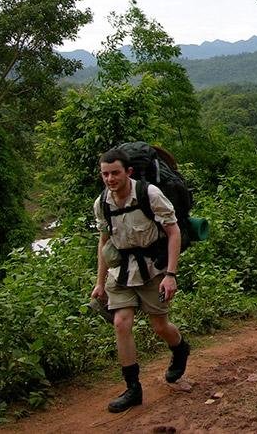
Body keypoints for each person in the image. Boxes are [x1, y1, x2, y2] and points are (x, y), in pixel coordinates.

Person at [91, 148, 190, 413]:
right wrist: (99, 282)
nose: (110, 179)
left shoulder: (150, 194)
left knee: (160, 326)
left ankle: (180, 349)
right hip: (120, 272)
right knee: (122, 323)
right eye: (105, 174)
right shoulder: (102, 203)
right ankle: (132, 388)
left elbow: (173, 232)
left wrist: (171, 275)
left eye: (115, 173)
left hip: (152, 270)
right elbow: (104, 241)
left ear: (129, 172)